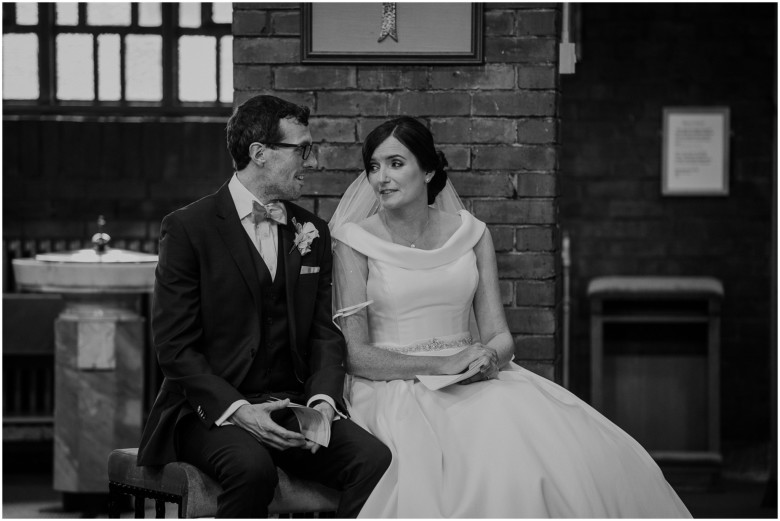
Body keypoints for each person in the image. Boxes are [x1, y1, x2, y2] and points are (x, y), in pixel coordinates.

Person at [329, 116, 692, 518]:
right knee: (470, 464)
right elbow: (357, 355)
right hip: (393, 387)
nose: (382, 178)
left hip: (470, 376)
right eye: (374, 167)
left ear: (428, 169)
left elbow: (500, 335)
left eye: (396, 163)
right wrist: (440, 364)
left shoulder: (472, 234)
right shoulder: (353, 241)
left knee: (554, 452)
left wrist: (489, 358)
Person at [136, 95, 391, 518]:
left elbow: (324, 332)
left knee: (372, 460)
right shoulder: (187, 229)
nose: (310, 160)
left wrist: (323, 401)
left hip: (290, 404)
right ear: (260, 154)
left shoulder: (313, 231)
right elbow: (175, 348)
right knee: (253, 470)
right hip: (209, 412)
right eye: (301, 149)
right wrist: (240, 411)